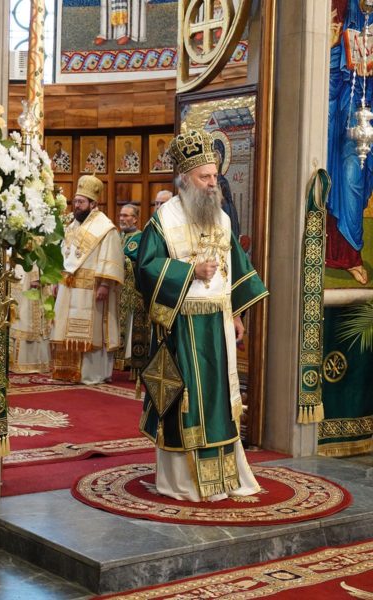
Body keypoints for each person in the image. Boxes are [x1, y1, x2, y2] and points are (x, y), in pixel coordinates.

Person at [136, 130, 269, 502]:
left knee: (220, 401)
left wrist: (237, 315)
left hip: (219, 324)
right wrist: (189, 272)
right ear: (184, 178)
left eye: (214, 176)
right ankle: (185, 482)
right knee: (187, 402)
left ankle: (224, 477)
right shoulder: (164, 219)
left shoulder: (222, 218)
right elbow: (145, 269)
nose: (213, 183)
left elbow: (234, 266)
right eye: (204, 177)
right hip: (182, 325)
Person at [50, 175, 124, 384]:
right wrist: (56, 280)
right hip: (68, 287)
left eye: (81, 202)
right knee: (64, 326)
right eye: (75, 201)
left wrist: (105, 285)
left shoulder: (105, 228)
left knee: (92, 331)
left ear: (93, 204)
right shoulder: (70, 227)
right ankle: (67, 372)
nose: (76, 205)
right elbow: (62, 256)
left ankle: (92, 373)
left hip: (92, 289)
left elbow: (110, 257)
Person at [326, 0, 373, 285]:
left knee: (355, 179)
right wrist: (334, 46)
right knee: (344, 175)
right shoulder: (340, 7)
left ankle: (351, 253)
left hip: (365, 108)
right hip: (342, 112)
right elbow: (327, 78)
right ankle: (343, 254)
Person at [115, 204, 148, 380]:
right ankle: (115, 357)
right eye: (121, 215)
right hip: (117, 289)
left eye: (126, 216)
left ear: (135, 219)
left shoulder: (141, 237)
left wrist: (123, 260)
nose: (122, 218)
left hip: (132, 290)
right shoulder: (117, 236)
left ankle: (126, 358)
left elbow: (139, 262)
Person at [9, 264, 51, 374]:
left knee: (27, 315)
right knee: (21, 315)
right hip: (22, 275)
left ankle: (34, 363)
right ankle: (20, 363)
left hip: (28, 275)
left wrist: (36, 276)